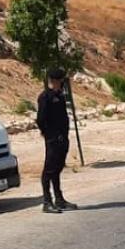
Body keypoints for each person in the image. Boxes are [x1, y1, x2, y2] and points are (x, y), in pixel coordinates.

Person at [36, 68, 78, 213]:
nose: (64, 82)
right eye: (61, 80)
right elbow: (41, 119)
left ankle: (59, 199)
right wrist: (49, 135)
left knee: (57, 169)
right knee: (49, 170)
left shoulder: (59, 96)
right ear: (55, 80)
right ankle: (47, 202)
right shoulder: (45, 97)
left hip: (63, 138)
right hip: (53, 139)